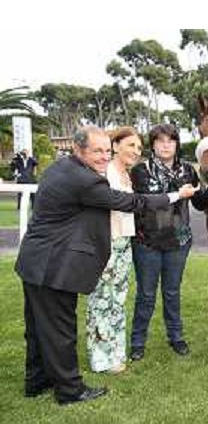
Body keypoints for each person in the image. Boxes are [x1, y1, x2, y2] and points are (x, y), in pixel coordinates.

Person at [15, 126, 197, 405]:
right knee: (60, 330)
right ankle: (69, 390)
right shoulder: (87, 180)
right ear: (78, 150)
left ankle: (37, 381)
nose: (103, 157)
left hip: (35, 260)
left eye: (106, 151)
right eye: (96, 151)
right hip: (54, 265)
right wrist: (175, 196)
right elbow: (130, 202)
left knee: (39, 328)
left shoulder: (59, 167)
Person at [129, 124, 208, 361]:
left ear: (177, 144)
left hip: (178, 241)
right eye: (160, 140)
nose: (166, 145)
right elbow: (147, 201)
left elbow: (198, 202)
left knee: (172, 292)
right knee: (145, 294)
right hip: (147, 242)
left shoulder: (188, 170)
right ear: (152, 144)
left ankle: (176, 337)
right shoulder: (140, 171)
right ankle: (138, 341)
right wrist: (180, 193)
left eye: (171, 140)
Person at [85, 127, 142, 374]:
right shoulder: (105, 173)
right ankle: (99, 357)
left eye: (139, 148)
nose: (136, 151)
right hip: (106, 243)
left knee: (117, 301)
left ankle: (115, 353)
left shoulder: (125, 174)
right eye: (131, 145)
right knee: (101, 302)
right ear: (115, 145)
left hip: (124, 243)